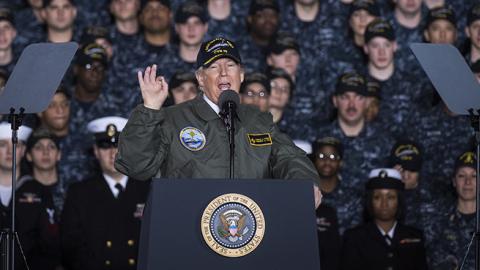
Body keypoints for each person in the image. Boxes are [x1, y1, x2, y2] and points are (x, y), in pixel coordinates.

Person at [115, 37, 321, 207]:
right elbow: (135, 166)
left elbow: (288, 158)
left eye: (230, 65)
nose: (224, 72)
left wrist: (306, 184)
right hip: (185, 234)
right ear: (200, 78)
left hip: (249, 236)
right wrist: (149, 109)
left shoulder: (258, 120)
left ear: (241, 75)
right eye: (214, 67)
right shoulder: (173, 119)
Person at [61, 116, 150, 270]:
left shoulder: (148, 190)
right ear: (96, 151)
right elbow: (70, 248)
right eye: (105, 146)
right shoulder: (79, 194)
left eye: (118, 145)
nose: (112, 153)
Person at [0, 123, 61, 270]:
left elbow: (50, 246)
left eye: (16, 144)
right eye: (2, 145)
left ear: (23, 151)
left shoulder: (39, 192)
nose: (10, 151)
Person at [341, 168, 428, 270]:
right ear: (370, 201)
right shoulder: (354, 238)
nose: (384, 204)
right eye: (377, 197)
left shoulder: (415, 237)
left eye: (390, 197)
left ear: (399, 201)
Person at [428, 151, 477, 269]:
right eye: (461, 176)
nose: (468, 182)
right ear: (454, 181)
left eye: (474, 176)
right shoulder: (436, 221)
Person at [312, 136, 363, 235]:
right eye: (322, 156)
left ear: (341, 163)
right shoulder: (303, 192)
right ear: (314, 161)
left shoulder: (353, 197)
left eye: (333, 157)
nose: (327, 162)